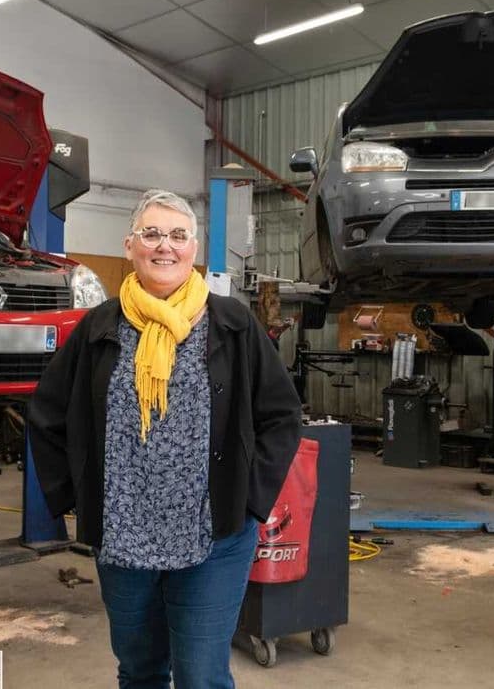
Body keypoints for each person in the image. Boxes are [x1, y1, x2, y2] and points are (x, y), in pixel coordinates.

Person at [28, 189, 302, 688]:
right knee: (140, 673)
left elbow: (282, 415)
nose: (165, 246)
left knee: (201, 678)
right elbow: (47, 414)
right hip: (123, 536)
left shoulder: (233, 323)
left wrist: (251, 501)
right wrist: (73, 498)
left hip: (214, 535)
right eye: (151, 234)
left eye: (178, 235)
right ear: (130, 245)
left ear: (193, 249)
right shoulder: (99, 327)